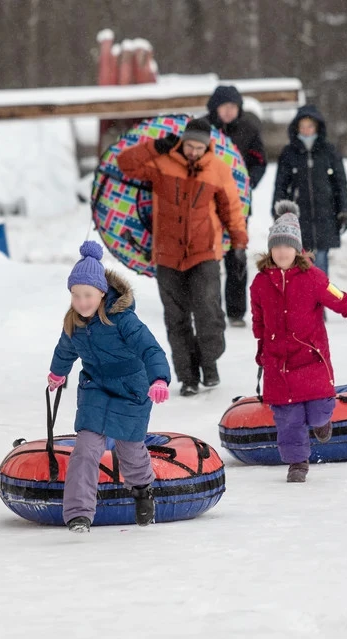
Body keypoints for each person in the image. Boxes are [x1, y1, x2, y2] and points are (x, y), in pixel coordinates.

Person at [250, 202, 347, 483]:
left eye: (287, 245)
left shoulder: (314, 279)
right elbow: (259, 322)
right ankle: (297, 463)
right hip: (278, 365)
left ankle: (322, 422)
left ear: (298, 249)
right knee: (288, 420)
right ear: (270, 249)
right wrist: (262, 352)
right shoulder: (259, 283)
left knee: (318, 412)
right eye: (277, 246)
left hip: (311, 361)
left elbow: (345, 304)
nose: (282, 252)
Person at [118, 117, 248, 397]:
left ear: (207, 147)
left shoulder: (218, 169)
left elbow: (231, 208)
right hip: (167, 254)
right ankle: (187, 376)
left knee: (208, 312)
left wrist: (239, 243)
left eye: (198, 147)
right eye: (189, 145)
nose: (193, 151)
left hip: (205, 252)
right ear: (182, 142)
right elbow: (125, 164)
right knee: (176, 318)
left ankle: (209, 362)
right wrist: (155, 147)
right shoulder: (162, 163)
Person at [47, 241, 172, 533]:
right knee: (86, 446)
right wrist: (57, 373)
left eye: (87, 295)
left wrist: (159, 379)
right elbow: (66, 350)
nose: (81, 302)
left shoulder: (124, 319)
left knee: (129, 447)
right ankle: (78, 514)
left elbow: (151, 349)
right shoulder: (75, 322)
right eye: (75, 295)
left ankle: (142, 489)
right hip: (96, 386)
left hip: (131, 387)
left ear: (102, 293)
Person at [207, 85, 267, 328]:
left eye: (234, 107)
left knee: (236, 257)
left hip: (237, 207)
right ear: (215, 108)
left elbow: (260, 161)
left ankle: (235, 311)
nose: (229, 111)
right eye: (225, 107)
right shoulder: (203, 129)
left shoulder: (249, 130)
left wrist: (247, 183)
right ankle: (208, 309)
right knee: (208, 259)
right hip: (206, 206)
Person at [271, 104, 347, 278]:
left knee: (320, 265)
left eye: (310, 126)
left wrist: (344, 210)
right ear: (297, 128)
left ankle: (320, 304)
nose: (307, 130)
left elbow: (340, 184)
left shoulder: (329, 151)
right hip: (298, 220)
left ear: (317, 127)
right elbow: (280, 186)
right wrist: (277, 213)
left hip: (325, 217)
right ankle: (304, 304)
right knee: (300, 266)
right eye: (303, 126)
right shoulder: (289, 153)